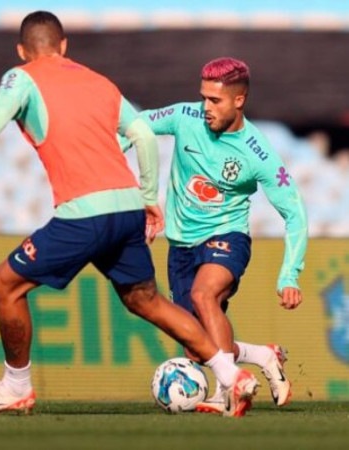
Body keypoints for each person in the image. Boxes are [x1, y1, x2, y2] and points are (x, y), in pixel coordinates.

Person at [0, 11, 258, 417]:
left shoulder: (21, 77)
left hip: (84, 213)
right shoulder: (98, 81)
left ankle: (15, 386)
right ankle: (231, 374)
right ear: (64, 45)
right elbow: (141, 134)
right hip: (125, 208)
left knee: (5, 286)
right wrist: (148, 196)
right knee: (146, 299)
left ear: (22, 50)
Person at [136, 57, 308, 413]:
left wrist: (290, 274)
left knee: (203, 295)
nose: (206, 108)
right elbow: (135, 126)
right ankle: (263, 355)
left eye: (215, 101)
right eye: (204, 98)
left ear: (239, 100)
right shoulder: (186, 116)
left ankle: (226, 390)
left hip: (228, 236)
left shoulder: (257, 152)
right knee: (194, 345)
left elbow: (295, 213)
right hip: (181, 244)